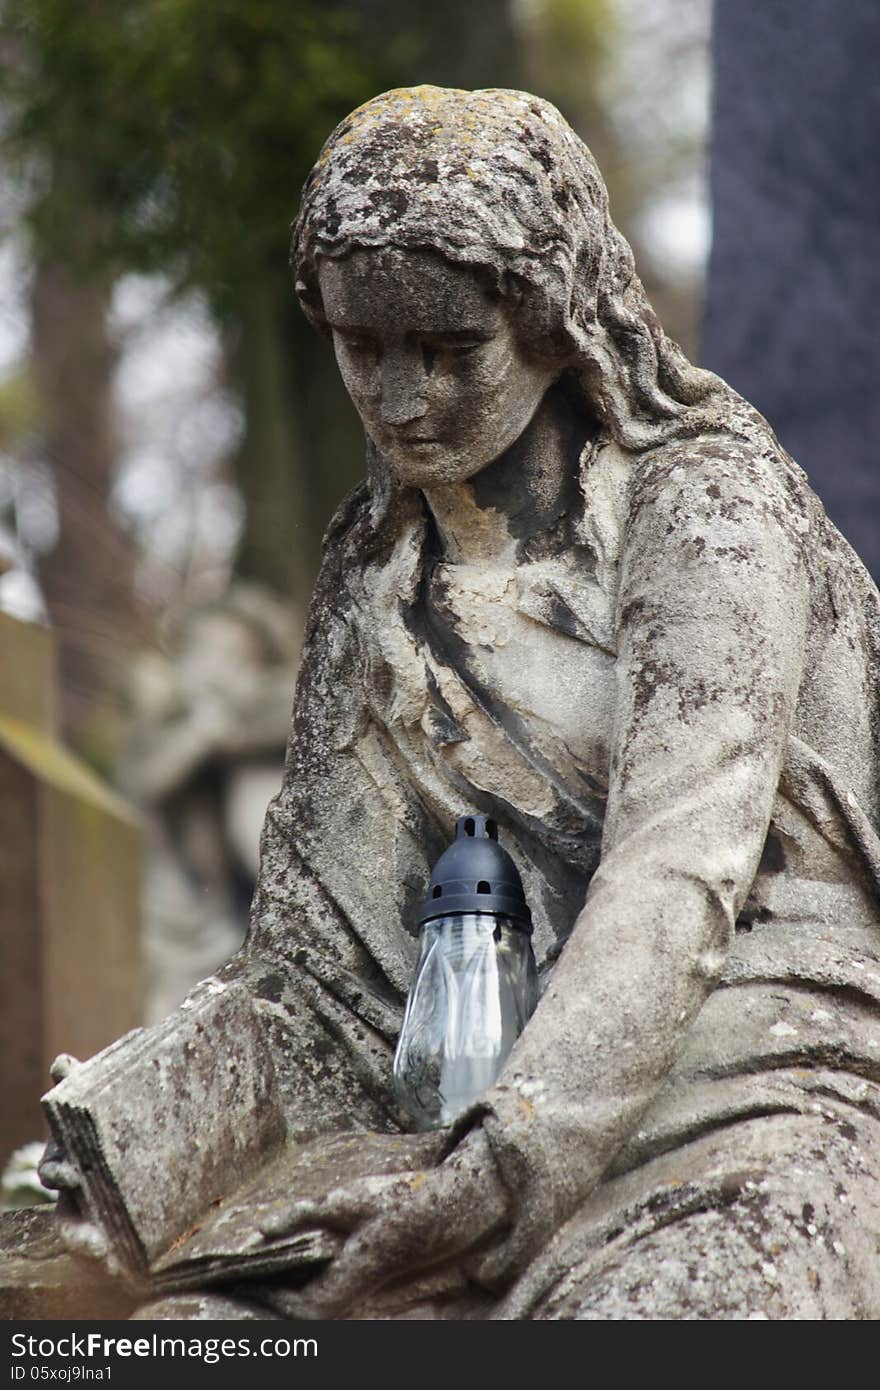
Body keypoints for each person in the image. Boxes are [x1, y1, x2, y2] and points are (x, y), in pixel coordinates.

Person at [45, 87, 880, 1320]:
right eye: (361, 345)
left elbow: (679, 860)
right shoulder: (374, 576)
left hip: (739, 1079)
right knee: (185, 1337)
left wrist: (512, 1152)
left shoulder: (702, 508)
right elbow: (321, 967)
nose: (396, 396)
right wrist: (148, 1122)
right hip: (454, 1106)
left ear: (553, 319)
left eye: (446, 349)